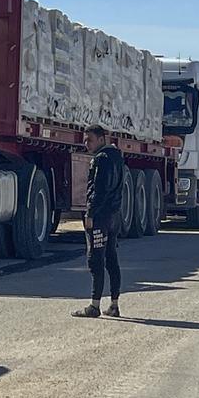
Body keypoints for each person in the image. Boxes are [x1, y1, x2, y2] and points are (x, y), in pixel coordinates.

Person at [73, 124, 125, 319]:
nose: (87, 143)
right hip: (114, 216)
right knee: (111, 258)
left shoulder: (101, 160)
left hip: (101, 217)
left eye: (90, 140)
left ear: (102, 139)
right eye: (85, 140)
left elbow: (99, 191)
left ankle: (94, 306)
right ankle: (114, 304)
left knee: (95, 259)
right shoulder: (117, 157)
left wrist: (90, 214)